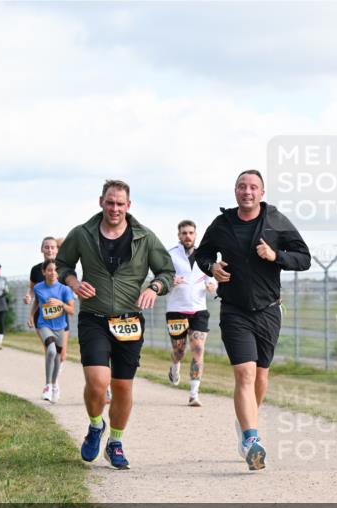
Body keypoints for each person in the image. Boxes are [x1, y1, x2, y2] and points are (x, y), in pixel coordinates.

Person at [194, 169, 311, 470]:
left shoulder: (276, 221)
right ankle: (251, 439)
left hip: (269, 310)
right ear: (235, 191)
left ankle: (247, 425)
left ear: (262, 192)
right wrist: (212, 268)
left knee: (260, 377)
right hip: (234, 309)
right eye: (242, 186)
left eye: (253, 187)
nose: (247, 191)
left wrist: (276, 256)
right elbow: (203, 253)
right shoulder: (222, 223)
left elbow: (304, 258)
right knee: (245, 374)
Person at [56, 179, 174, 470]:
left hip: (129, 320)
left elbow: (167, 271)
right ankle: (96, 426)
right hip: (93, 317)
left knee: (122, 387)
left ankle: (116, 442)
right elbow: (62, 265)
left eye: (120, 203)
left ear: (128, 206)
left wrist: (154, 287)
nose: (115, 208)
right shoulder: (83, 234)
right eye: (110, 202)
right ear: (101, 202)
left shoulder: (144, 238)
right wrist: (73, 282)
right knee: (97, 382)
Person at [166, 219, 217, 407]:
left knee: (198, 350)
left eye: (191, 233)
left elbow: (212, 277)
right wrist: (170, 281)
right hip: (176, 310)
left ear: (196, 235)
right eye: (184, 233)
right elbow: (161, 277)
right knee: (179, 351)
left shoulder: (205, 256)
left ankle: (194, 394)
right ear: (179, 235)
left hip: (199, 310)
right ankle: (174, 366)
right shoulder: (170, 255)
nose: (187, 236)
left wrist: (213, 285)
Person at [27, 259, 76, 402]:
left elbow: (72, 310)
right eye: (49, 270)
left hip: (60, 327)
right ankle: (47, 386)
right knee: (51, 351)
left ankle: (54, 384)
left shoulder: (64, 289)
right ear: (44, 272)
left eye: (55, 270)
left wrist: (61, 304)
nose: (52, 273)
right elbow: (37, 302)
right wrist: (31, 316)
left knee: (58, 358)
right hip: (44, 325)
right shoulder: (38, 288)